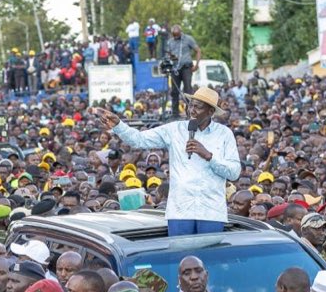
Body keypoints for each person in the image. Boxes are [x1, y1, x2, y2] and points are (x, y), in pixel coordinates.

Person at [94, 86, 239, 235]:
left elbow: (234, 173)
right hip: (180, 212)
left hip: (211, 212)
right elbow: (139, 140)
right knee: (179, 257)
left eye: (198, 107)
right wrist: (119, 125)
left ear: (210, 112)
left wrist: (209, 156)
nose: (192, 110)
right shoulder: (174, 130)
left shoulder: (224, 134)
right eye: (191, 105)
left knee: (209, 258)